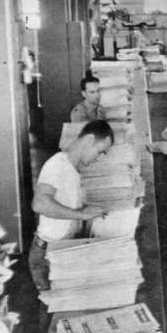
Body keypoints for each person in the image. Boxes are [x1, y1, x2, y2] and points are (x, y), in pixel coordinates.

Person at [29, 119, 115, 294]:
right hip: (47, 253)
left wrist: (89, 213)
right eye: (100, 152)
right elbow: (39, 204)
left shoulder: (71, 168)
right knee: (52, 307)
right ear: (90, 139)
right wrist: (81, 214)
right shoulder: (57, 165)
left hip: (59, 248)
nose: (99, 158)